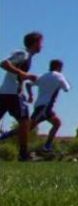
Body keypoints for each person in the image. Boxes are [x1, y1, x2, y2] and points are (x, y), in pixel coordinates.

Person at [0, 59, 70, 153]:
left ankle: (47, 146)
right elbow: (67, 89)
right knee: (27, 128)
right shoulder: (59, 76)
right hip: (45, 107)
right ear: (59, 67)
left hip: (41, 106)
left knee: (57, 123)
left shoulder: (43, 76)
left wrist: (31, 95)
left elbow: (29, 84)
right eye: (61, 68)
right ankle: (4, 136)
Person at [0, 32, 42, 161]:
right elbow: (4, 63)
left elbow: (17, 77)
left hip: (11, 93)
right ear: (34, 43)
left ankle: (23, 154)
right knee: (25, 122)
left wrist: (24, 88)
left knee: (25, 122)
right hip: (11, 94)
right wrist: (24, 74)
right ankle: (23, 154)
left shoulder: (27, 56)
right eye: (40, 42)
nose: (42, 46)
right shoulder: (23, 53)